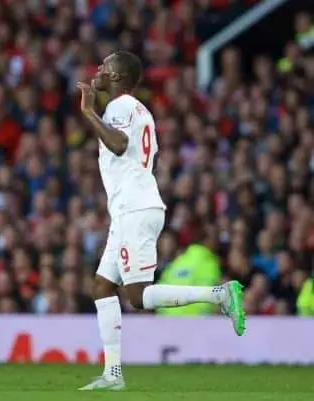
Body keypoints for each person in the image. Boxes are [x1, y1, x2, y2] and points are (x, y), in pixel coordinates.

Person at [75, 51, 245, 391]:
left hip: (135, 208)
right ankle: (113, 375)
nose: (98, 70)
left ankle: (220, 296)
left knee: (137, 296)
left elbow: (120, 144)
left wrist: (87, 111)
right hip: (129, 208)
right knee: (102, 285)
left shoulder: (119, 107)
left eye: (104, 67)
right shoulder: (139, 110)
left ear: (118, 77)